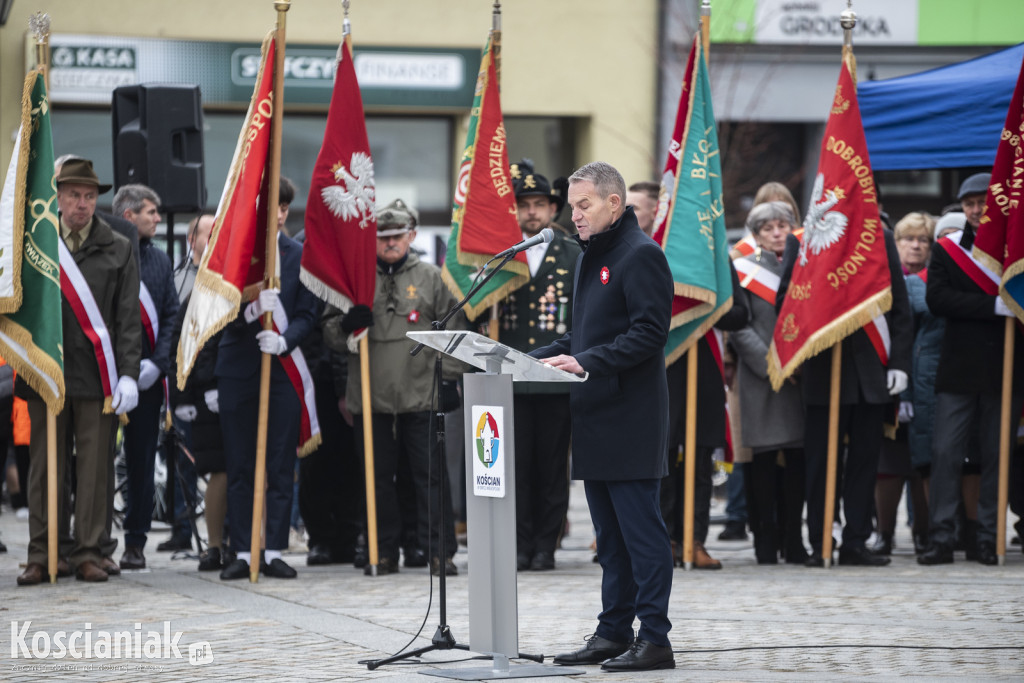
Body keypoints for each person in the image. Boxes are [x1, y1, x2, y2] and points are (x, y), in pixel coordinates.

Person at [536, 162, 675, 672]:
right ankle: (614, 631)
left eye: (584, 204)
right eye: (573, 206)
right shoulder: (590, 257)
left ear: (614, 203)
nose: (575, 215)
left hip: (632, 417)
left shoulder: (641, 256)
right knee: (609, 540)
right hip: (595, 414)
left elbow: (649, 333)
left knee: (642, 534)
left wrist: (586, 362)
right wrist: (532, 357)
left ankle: (655, 638)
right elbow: (584, 337)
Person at [17, 158, 141, 586]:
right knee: (45, 468)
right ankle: (44, 552)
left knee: (94, 470)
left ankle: (89, 550)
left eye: (89, 196)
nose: (82, 204)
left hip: (96, 377)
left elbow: (127, 320)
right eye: (73, 195)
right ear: (58, 197)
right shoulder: (34, 242)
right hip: (46, 372)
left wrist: (127, 374)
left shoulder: (119, 246)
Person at [323, 199, 461, 577]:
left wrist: (446, 377)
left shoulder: (432, 277)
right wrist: (347, 323)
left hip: (420, 392)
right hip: (371, 395)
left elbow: (455, 332)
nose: (390, 243)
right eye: (382, 237)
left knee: (430, 477)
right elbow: (330, 333)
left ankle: (439, 552)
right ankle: (381, 551)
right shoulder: (354, 277)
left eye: (397, 236)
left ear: (411, 235)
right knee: (376, 478)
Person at [777, 201, 913, 568]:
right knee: (820, 464)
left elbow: (899, 308)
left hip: (872, 372)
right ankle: (821, 540)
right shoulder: (802, 241)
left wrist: (899, 363)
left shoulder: (881, 238)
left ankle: (854, 541)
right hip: (823, 373)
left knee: (864, 463)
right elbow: (786, 302)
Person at [919, 173, 1024, 566]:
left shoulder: (1014, 253)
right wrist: (990, 308)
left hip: (1006, 367)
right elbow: (938, 298)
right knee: (946, 453)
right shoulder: (948, 250)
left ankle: (987, 537)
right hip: (959, 367)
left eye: (983, 202)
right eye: (969, 204)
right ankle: (942, 537)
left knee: (997, 455)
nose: (977, 210)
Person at [216, 204, 321, 581]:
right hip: (239, 369)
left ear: (283, 211)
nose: (267, 213)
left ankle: (274, 549)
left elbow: (309, 313)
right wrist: (250, 311)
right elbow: (215, 309)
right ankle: (243, 551)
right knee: (240, 465)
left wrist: (284, 339)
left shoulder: (300, 255)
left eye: (274, 206)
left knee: (279, 464)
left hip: (282, 369)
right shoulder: (237, 250)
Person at [500, 159, 581, 572]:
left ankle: (546, 545)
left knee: (551, 465)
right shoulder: (499, 254)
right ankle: (518, 542)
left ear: (553, 210)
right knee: (515, 465)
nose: (532, 211)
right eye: (523, 204)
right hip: (509, 376)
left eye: (540, 204)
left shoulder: (572, 253)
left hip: (553, 375)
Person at [730, 202, 808, 564]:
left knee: (796, 460)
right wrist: (772, 364)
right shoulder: (743, 270)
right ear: (756, 234)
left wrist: (797, 363)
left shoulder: (807, 266)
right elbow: (739, 326)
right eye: (767, 228)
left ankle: (794, 540)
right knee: (761, 462)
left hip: (799, 376)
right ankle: (764, 539)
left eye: (783, 225)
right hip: (760, 374)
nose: (777, 232)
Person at [111, 184, 180, 570]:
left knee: (141, 460)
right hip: (108, 376)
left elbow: (170, 313)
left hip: (148, 379)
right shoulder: (107, 254)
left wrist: (159, 362)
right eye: (150, 212)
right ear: (128, 216)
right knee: (97, 461)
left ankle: (135, 541)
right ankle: (93, 540)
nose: (157, 218)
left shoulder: (161, 261)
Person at [871, 212, 935, 556]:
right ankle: (884, 532)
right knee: (888, 461)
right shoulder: (883, 277)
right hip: (891, 377)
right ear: (895, 244)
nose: (915, 245)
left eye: (923, 240)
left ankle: (923, 532)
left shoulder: (935, 278)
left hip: (927, 382)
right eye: (908, 238)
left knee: (922, 463)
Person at [174, 214, 214, 302]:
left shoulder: (230, 279)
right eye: (211, 236)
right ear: (192, 241)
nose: (218, 240)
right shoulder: (178, 282)